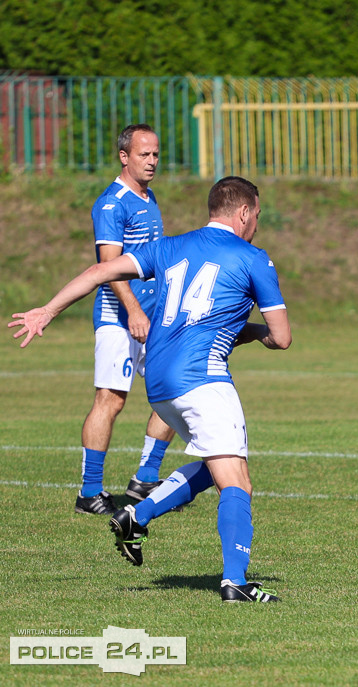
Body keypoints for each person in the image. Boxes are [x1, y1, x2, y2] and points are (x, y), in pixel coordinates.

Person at [10, 176, 292, 603]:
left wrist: (47, 310)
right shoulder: (254, 259)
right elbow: (282, 337)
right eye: (257, 215)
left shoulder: (170, 246)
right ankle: (235, 581)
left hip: (159, 384)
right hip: (203, 377)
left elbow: (100, 270)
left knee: (214, 462)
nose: (257, 223)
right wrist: (248, 331)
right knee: (237, 480)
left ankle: (136, 515)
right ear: (244, 213)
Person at [77, 123, 178, 515]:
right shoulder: (111, 203)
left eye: (155, 154)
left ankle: (144, 481)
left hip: (154, 318)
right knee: (111, 400)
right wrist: (133, 309)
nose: (152, 161)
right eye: (144, 154)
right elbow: (108, 266)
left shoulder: (148, 197)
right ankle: (89, 493)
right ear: (124, 156)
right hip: (118, 318)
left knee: (172, 393)